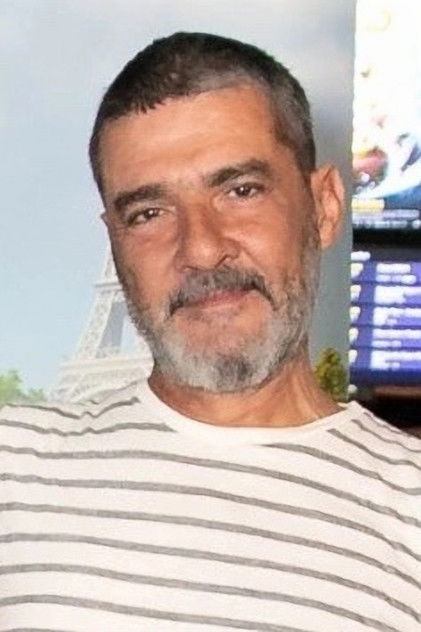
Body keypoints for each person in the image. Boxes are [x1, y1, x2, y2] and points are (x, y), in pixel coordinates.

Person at [1, 32, 420, 631]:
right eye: (149, 213)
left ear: (325, 206)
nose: (200, 247)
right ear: (114, 241)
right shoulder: (13, 464)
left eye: (240, 191)